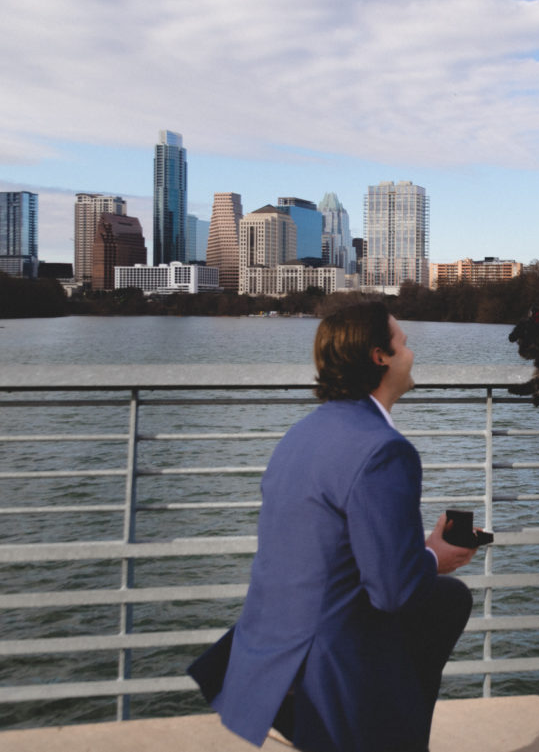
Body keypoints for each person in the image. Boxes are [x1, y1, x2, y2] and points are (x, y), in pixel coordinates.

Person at [188, 301, 477, 752]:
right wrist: (436, 557)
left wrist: (414, 553)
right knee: (443, 599)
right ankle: (387, 726)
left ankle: (393, 726)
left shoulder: (302, 434)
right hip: (327, 658)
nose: (411, 352)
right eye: (404, 342)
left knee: (447, 599)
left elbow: (326, 547)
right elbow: (393, 591)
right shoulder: (385, 451)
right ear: (380, 356)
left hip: (267, 645)